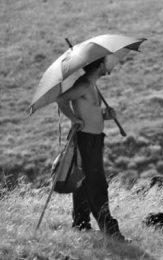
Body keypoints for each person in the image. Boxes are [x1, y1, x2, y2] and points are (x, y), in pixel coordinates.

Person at [56, 57, 125, 241]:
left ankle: (81, 224)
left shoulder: (92, 85)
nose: (109, 65)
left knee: (83, 181)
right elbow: (62, 99)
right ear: (100, 65)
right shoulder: (85, 84)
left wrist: (105, 115)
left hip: (94, 138)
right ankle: (110, 230)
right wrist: (73, 118)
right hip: (86, 138)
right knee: (97, 184)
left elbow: (90, 112)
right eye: (106, 63)